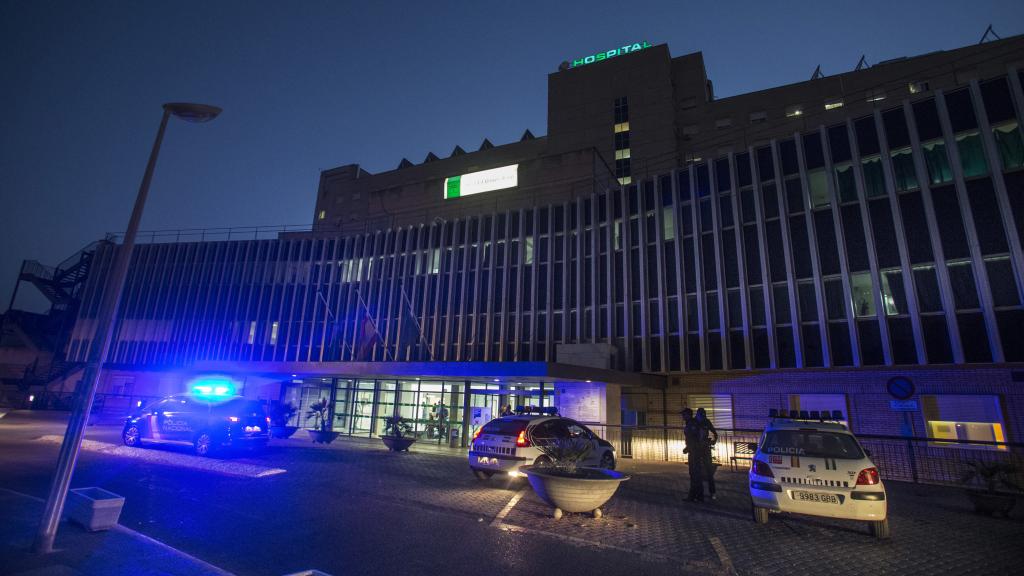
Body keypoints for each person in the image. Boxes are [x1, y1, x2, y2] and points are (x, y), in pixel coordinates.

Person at [695, 407, 719, 501]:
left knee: (709, 471)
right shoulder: (694, 422)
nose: (701, 417)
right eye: (700, 415)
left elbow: (715, 433)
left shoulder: (707, 422)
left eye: (703, 415)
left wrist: (713, 441)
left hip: (705, 449)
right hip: (697, 449)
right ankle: (698, 492)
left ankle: (712, 492)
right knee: (696, 471)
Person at [682, 408, 705, 502]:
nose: (682, 416)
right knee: (695, 473)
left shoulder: (692, 424)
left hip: (694, 452)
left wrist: (688, 448)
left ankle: (693, 495)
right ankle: (698, 495)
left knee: (694, 474)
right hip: (693, 451)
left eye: (683, 414)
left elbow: (693, 439)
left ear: (688, 415)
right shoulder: (691, 423)